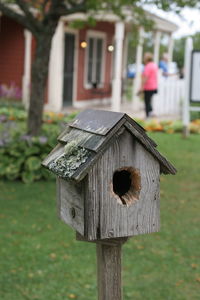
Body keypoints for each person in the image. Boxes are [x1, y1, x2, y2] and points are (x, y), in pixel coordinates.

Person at [138, 52, 158, 118]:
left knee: (147, 102)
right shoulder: (154, 65)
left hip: (148, 86)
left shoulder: (148, 66)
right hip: (154, 86)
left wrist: (141, 87)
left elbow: (145, 78)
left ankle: (148, 116)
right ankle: (151, 113)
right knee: (149, 101)